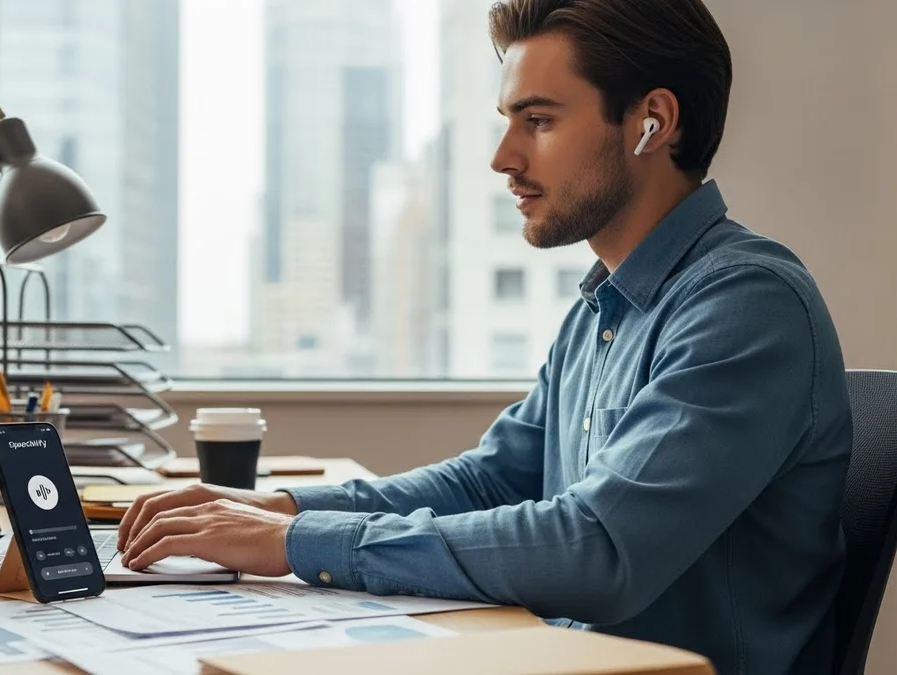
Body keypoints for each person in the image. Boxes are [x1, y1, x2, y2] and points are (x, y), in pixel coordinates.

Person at [117, 0, 852, 672]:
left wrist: (292, 546)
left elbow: (600, 548)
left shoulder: (745, 303)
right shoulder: (604, 307)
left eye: (538, 121)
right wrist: (286, 510)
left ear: (651, 121)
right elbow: (492, 479)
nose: (503, 157)